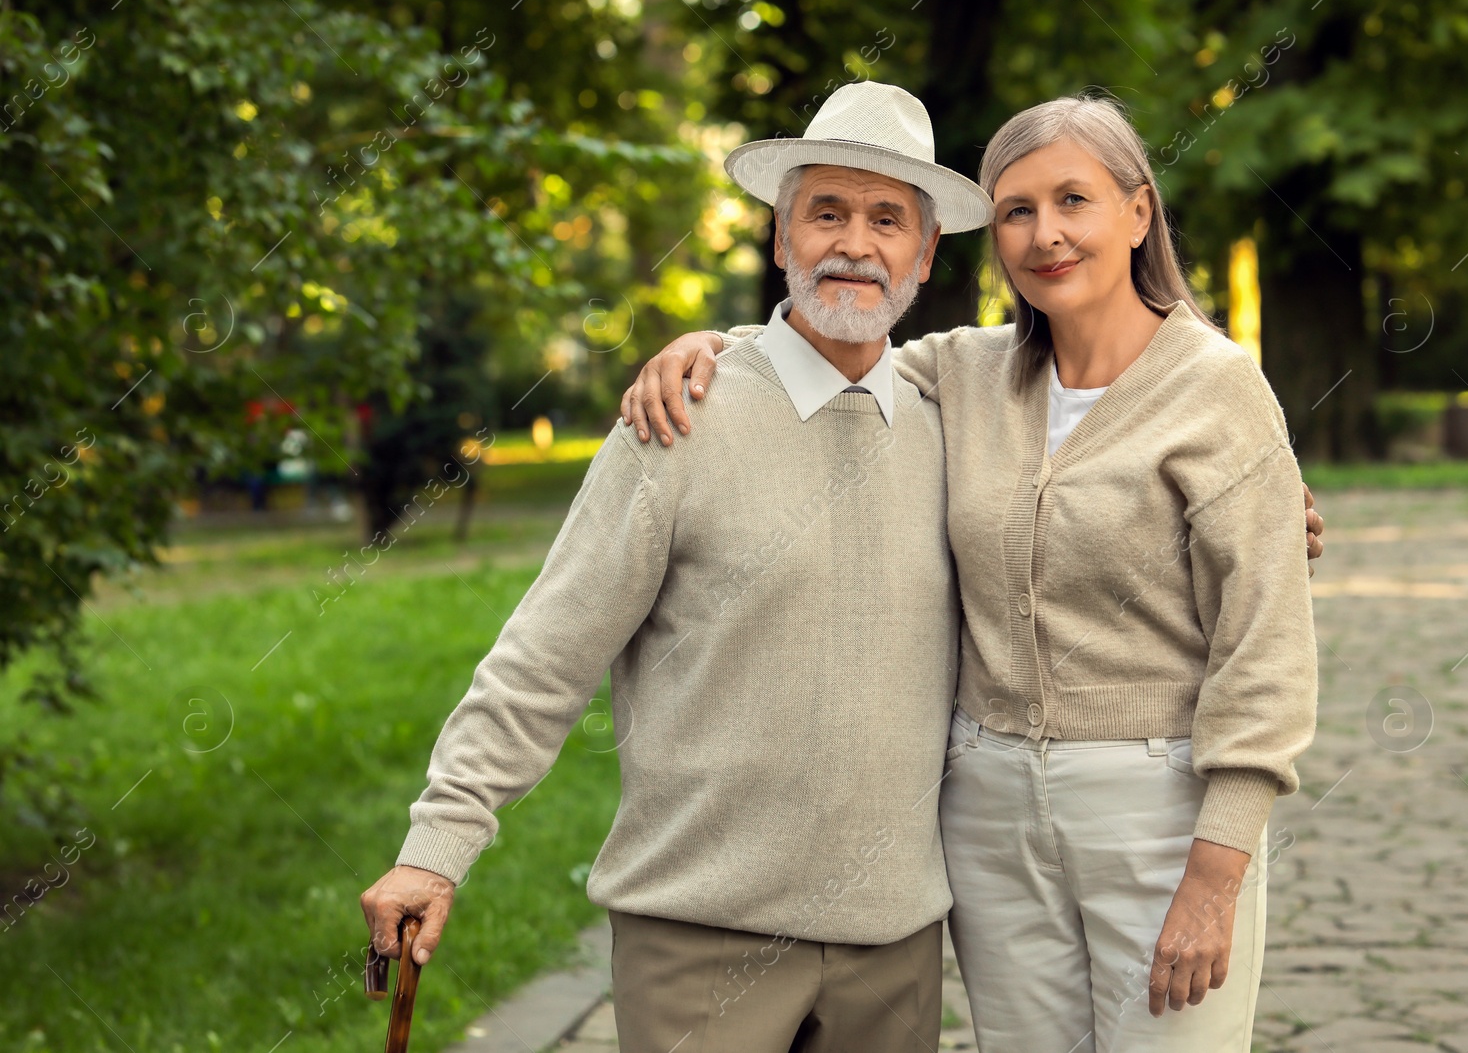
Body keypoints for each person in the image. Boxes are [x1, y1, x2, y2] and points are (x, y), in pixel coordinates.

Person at [624, 91, 1323, 1051]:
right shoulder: (964, 372)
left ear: (1138, 212)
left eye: (1072, 200)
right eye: (1016, 211)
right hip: (987, 809)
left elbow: (1267, 646)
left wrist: (1218, 868)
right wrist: (711, 347)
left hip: (1157, 812)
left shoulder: (1219, 388)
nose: (1045, 235)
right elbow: (831, 338)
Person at [360, 81, 997, 1053]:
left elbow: (1106, 435)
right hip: (698, 938)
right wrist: (437, 846)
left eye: (885, 219)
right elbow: (547, 650)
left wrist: (1251, 494)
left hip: (893, 944)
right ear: (781, 238)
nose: (854, 244)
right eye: (825, 212)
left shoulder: (958, 424)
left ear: (925, 250)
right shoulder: (680, 418)